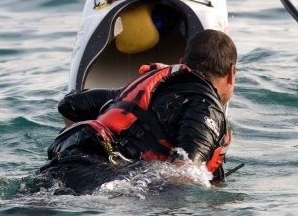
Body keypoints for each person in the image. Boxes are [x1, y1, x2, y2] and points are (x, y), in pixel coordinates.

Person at [36, 29, 237, 194]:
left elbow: (69, 105)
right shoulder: (207, 107)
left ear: (183, 62)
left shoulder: (146, 89)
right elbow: (185, 173)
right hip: (98, 182)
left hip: (63, 164)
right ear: (230, 72)